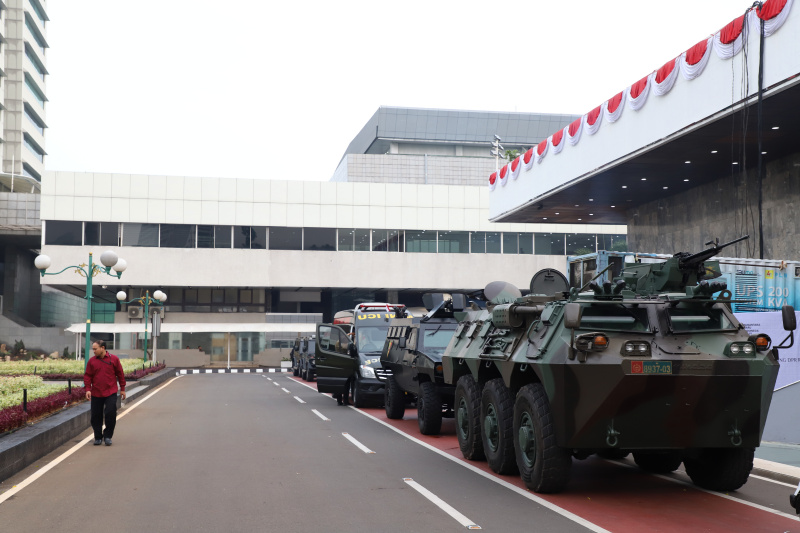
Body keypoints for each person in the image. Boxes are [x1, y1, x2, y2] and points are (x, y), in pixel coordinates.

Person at [84, 340, 126, 446]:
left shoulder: (114, 359)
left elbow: (120, 374)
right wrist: (88, 389)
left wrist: (122, 389)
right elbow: (88, 376)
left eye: (95, 349)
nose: (93, 351)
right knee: (95, 416)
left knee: (110, 413)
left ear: (102, 348)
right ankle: (98, 437)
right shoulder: (92, 361)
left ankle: (107, 436)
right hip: (96, 393)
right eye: (93, 349)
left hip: (110, 392)